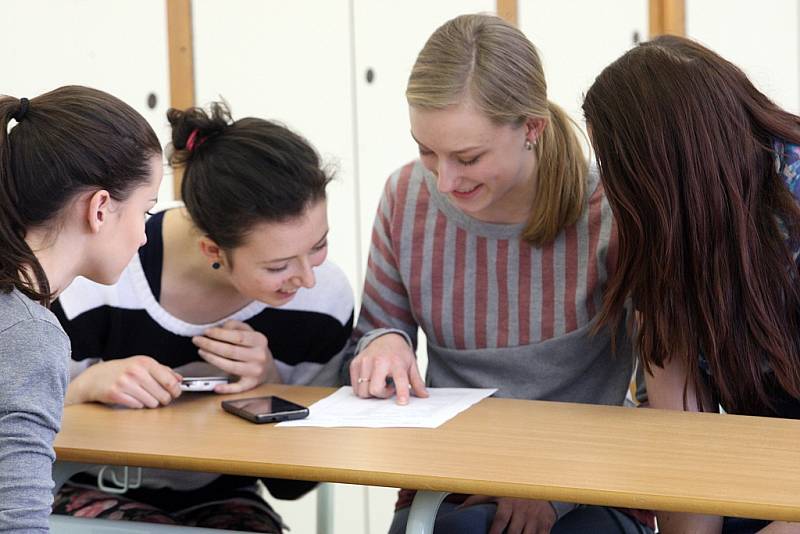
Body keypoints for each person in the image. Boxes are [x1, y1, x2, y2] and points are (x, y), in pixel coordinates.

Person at [345, 13, 653, 534]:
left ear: (531, 128)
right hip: (451, 479)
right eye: (425, 150)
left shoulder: (611, 213)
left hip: (589, 479)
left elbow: (659, 402)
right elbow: (375, 330)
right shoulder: (405, 195)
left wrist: (554, 488)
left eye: (467, 157)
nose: (443, 180)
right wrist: (383, 345)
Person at [50, 102, 354, 532]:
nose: (306, 277)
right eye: (277, 266)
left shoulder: (323, 299)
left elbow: (293, 485)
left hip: (228, 500)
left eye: (319, 245)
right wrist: (85, 387)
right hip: (89, 487)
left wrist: (272, 382)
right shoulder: (101, 277)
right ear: (212, 250)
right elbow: (23, 431)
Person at [582, 35, 800, 534]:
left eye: (617, 171)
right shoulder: (671, 239)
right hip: (766, 467)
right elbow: (686, 442)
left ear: (664, 173)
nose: (610, 191)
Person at [0, 86, 163, 532]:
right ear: (101, 208)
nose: (145, 237)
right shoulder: (31, 333)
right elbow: (18, 523)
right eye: (146, 213)